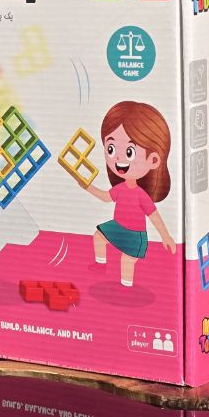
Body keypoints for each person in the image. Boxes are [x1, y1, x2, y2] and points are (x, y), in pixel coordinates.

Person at [79, 99, 176, 287]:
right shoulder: (120, 188)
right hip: (118, 227)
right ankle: (100, 265)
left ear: (153, 160)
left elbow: (153, 215)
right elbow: (105, 197)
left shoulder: (141, 195)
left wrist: (165, 236)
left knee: (127, 260)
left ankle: (126, 285)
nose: (118, 158)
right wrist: (87, 187)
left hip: (134, 235)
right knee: (98, 236)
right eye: (111, 148)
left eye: (130, 152)